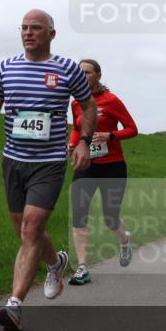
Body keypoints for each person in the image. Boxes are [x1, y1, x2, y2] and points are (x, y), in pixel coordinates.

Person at [0, 8, 97, 331]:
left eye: (36, 28)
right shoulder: (6, 67)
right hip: (13, 160)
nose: (28, 32)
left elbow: (88, 106)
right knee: (23, 229)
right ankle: (56, 262)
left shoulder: (66, 70)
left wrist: (84, 140)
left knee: (31, 230)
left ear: (51, 34)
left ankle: (14, 304)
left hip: (49, 162)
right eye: (24, 28)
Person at [66, 59, 138, 285]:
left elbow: (132, 129)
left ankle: (125, 240)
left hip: (112, 165)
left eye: (86, 72)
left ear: (98, 74)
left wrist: (110, 136)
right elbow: (77, 129)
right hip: (86, 165)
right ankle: (82, 267)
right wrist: (73, 144)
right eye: (79, 72)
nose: (82, 75)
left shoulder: (111, 100)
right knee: (79, 213)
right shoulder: (76, 102)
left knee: (110, 217)